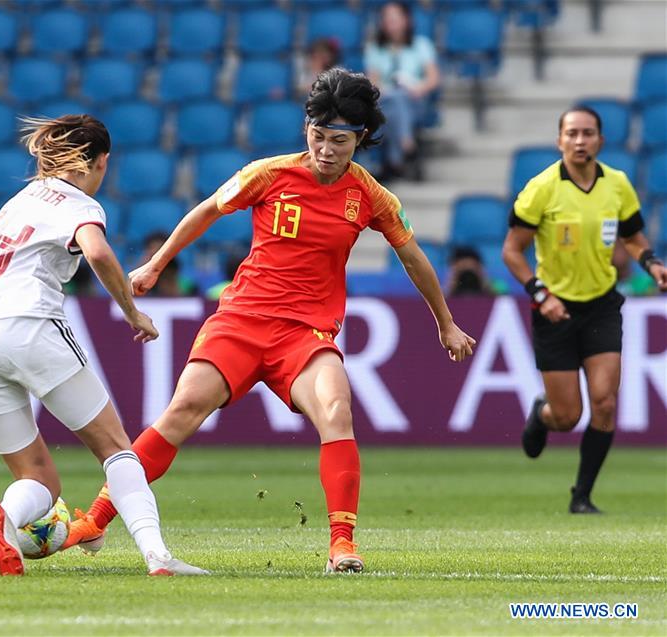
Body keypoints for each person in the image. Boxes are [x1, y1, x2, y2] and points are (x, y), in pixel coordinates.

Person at [68, 69, 476, 573]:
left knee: (336, 410)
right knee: (183, 410)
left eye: (339, 140)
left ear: (361, 139)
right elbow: (207, 211)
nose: (326, 149)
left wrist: (445, 322)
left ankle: (342, 545)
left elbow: (412, 257)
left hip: (305, 334)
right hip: (242, 318)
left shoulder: (370, 196)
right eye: (318, 136)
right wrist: (156, 264)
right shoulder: (269, 174)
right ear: (308, 129)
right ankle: (98, 519)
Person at [0, 114, 206, 577]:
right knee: (116, 449)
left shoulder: (19, 201)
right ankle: (158, 557)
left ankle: (7, 521)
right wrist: (132, 312)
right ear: (101, 162)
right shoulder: (78, 203)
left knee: (38, 478)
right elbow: (100, 253)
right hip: (29, 325)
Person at [502, 106, 667, 514]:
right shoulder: (541, 189)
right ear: (559, 140)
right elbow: (512, 251)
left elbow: (633, 238)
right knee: (567, 415)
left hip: (601, 305)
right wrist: (542, 295)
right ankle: (541, 415)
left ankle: (582, 496)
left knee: (606, 402)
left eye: (587, 133)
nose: (580, 141)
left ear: (600, 141)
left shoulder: (618, 185)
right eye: (572, 133)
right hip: (554, 310)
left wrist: (653, 264)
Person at [364, 1, 440, 180]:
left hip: (414, 100)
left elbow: (433, 79)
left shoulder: (422, 45)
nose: (391, 23)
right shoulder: (375, 48)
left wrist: (418, 88)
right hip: (386, 99)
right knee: (394, 100)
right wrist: (386, 90)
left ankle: (393, 161)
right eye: (387, 19)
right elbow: (373, 82)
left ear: (406, 20)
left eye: (395, 18)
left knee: (398, 102)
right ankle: (407, 146)